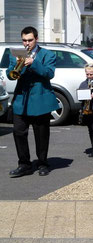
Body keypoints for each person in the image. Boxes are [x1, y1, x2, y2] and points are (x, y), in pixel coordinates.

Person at [7, 26, 59, 177]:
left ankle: (43, 163)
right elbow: (11, 75)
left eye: (30, 40)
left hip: (40, 100)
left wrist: (33, 63)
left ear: (36, 39)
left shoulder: (47, 54)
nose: (27, 43)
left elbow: (49, 73)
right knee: (18, 132)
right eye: (24, 40)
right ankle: (24, 164)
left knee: (41, 134)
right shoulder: (16, 54)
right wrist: (18, 63)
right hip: (21, 100)